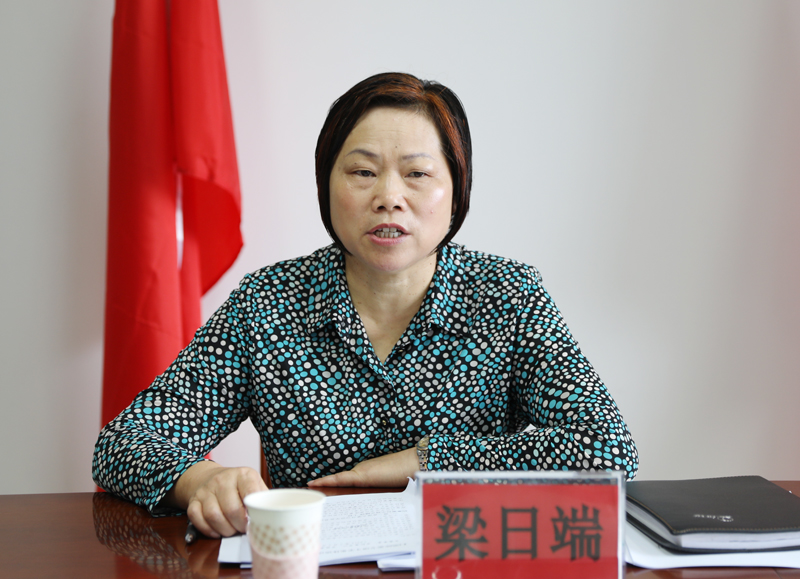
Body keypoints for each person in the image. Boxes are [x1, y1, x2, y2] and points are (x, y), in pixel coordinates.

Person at [93, 72, 638, 540]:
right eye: (362, 172)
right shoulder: (268, 302)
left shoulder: (507, 295)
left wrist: (427, 461)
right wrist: (199, 479)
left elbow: (607, 449)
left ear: (456, 191)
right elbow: (122, 443)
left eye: (418, 174)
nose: (388, 198)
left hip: (463, 556)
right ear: (326, 186)